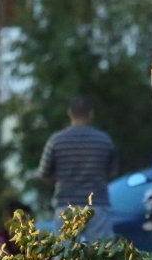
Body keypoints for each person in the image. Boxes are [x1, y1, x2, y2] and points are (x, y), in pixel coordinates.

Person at [39, 95, 118, 241]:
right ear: (91, 113)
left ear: (70, 113)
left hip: (65, 205)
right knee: (102, 254)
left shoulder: (56, 140)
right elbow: (112, 172)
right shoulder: (104, 140)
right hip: (97, 204)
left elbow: (43, 173)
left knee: (65, 256)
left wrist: (61, 181)